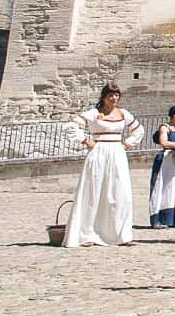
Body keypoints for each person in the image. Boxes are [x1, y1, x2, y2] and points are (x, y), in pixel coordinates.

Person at [62, 82, 145, 247]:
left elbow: (139, 130)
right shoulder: (94, 113)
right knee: (94, 192)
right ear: (104, 97)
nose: (114, 98)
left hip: (117, 152)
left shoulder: (123, 113)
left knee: (121, 193)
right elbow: (71, 126)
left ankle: (122, 235)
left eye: (116, 95)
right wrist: (86, 141)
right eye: (110, 95)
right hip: (99, 152)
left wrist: (127, 143)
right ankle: (87, 234)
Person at [149, 105, 175, 229]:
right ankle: (159, 218)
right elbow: (164, 143)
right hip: (166, 160)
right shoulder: (165, 127)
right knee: (163, 187)